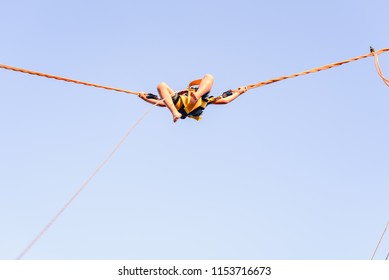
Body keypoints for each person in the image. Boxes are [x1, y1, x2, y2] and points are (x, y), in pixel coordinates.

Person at [138, 74, 248, 122]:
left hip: (196, 103)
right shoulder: (183, 94)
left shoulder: (206, 99)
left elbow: (225, 100)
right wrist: (145, 98)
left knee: (209, 77)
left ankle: (196, 96)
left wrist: (240, 92)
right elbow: (162, 102)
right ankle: (175, 112)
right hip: (180, 108)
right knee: (161, 85)